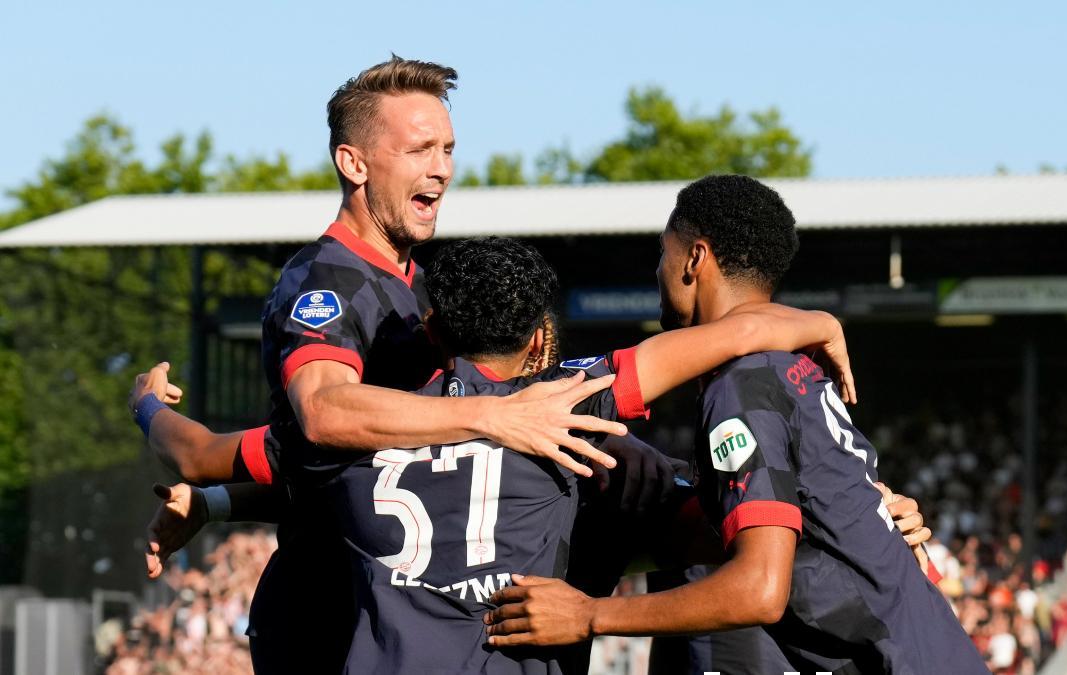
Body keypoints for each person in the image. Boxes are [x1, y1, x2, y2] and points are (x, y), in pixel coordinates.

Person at [136, 236, 861, 673]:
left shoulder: (356, 431)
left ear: (432, 328)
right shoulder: (574, 408)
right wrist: (818, 324)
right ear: (542, 341)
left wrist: (147, 408)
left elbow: (197, 450)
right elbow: (734, 333)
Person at [126, 56, 626, 674]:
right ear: (353, 163)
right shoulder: (325, 279)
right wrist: (496, 416)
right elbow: (323, 413)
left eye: (447, 148)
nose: (440, 168)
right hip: (333, 631)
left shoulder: (419, 287)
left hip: (408, 634)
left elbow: (353, 478)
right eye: (419, 149)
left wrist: (216, 505)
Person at [484, 175, 989, 674]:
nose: (658, 271)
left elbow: (759, 589)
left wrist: (588, 615)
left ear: (695, 258)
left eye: (664, 253)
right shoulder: (794, 370)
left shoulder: (743, 383)